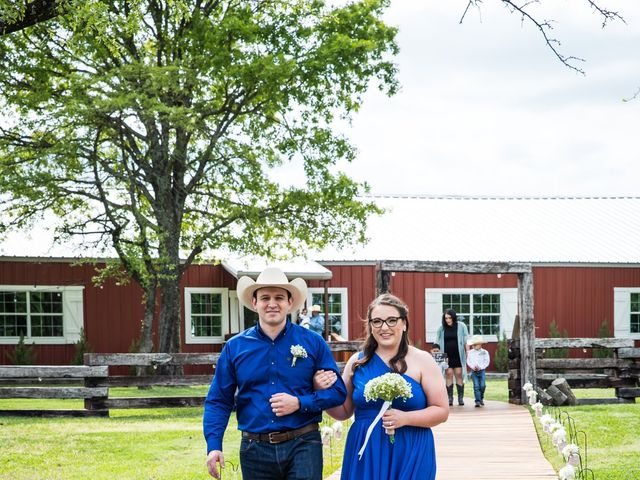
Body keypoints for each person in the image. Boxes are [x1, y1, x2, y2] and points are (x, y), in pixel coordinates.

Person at [203, 267, 347, 480]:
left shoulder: (313, 342)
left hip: (304, 443)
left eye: (279, 297)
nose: (272, 303)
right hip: (255, 448)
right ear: (254, 303)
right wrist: (214, 445)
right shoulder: (235, 347)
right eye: (265, 298)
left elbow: (337, 392)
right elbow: (218, 400)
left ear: (290, 303)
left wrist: (300, 402)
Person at [325, 293, 449, 479]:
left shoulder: (423, 360)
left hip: (410, 449)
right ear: (371, 326)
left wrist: (406, 418)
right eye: (377, 321)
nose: (384, 327)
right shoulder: (357, 362)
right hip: (367, 449)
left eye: (392, 320)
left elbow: (441, 411)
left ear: (404, 323)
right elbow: (343, 412)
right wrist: (322, 391)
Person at [435, 309, 470, 406]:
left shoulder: (461, 326)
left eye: (449, 318)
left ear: (453, 317)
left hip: (458, 354)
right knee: (448, 373)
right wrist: (436, 350)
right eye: (446, 318)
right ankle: (449, 398)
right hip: (446, 355)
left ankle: (460, 398)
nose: (447, 320)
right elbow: (437, 342)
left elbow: (466, 340)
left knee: (459, 373)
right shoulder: (441, 328)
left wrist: (468, 352)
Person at [466, 335, 490, 407]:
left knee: (483, 385)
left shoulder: (485, 352)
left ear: (480, 344)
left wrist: (481, 367)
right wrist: (473, 367)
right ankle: (477, 401)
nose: (473, 346)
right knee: (476, 386)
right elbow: (468, 361)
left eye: (475, 344)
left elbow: (487, 361)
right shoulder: (470, 352)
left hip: (482, 371)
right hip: (474, 371)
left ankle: (481, 398)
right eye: (473, 345)